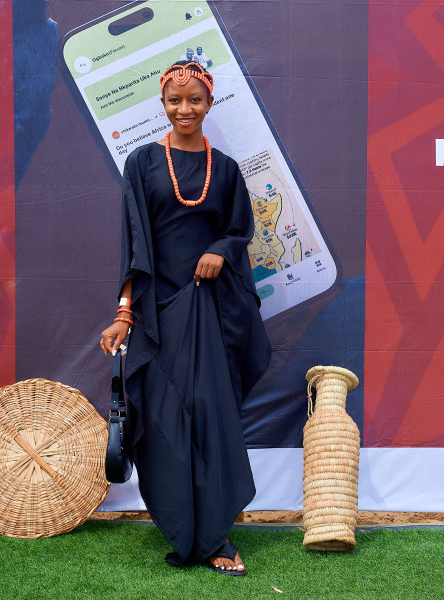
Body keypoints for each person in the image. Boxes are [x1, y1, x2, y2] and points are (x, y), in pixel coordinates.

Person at [100, 61, 270, 575]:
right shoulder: (144, 162)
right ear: (162, 103)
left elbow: (240, 230)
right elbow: (135, 246)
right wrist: (124, 314)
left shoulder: (229, 169)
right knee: (166, 422)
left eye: (194, 99)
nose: (184, 109)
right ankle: (180, 525)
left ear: (210, 102)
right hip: (158, 315)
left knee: (210, 418)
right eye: (175, 100)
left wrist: (220, 248)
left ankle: (217, 536)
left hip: (211, 312)